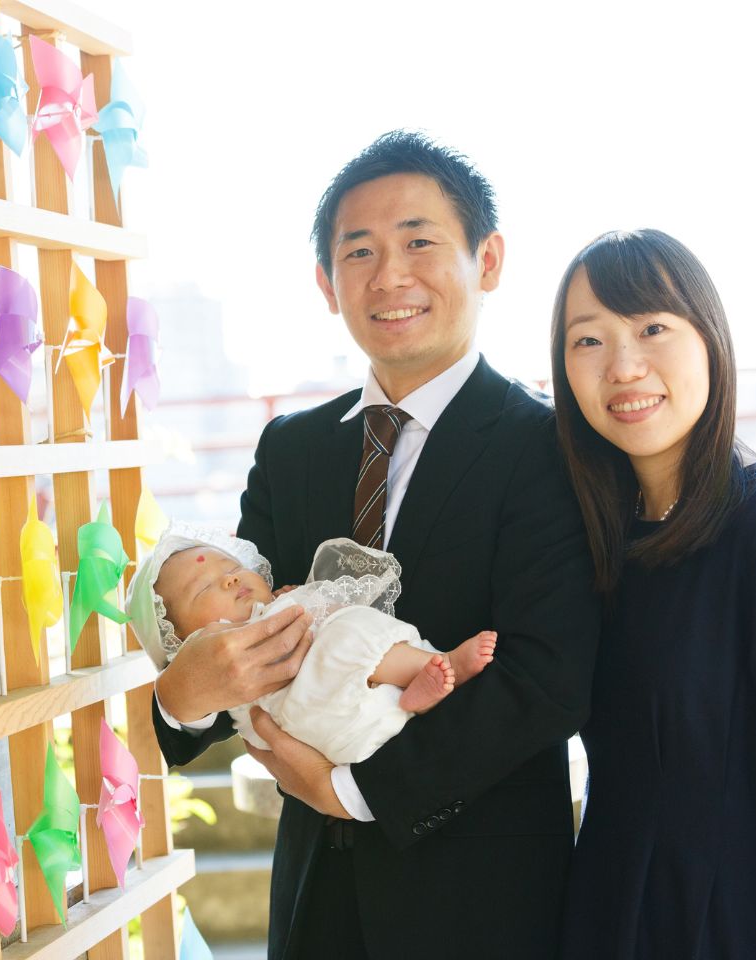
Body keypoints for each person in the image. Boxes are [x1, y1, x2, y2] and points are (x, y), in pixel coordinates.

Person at [149, 130, 601, 960]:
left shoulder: (550, 446)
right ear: (328, 282)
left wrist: (353, 791)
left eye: (420, 242)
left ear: (488, 259)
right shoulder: (292, 450)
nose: (390, 276)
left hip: (482, 909)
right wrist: (183, 698)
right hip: (317, 903)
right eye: (359, 252)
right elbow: (241, 629)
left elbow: (547, 679)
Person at [549, 229, 756, 958]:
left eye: (653, 328)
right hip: (604, 915)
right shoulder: (596, 529)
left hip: (728, 927)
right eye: (588, 341)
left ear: (710, 339)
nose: (624, 366)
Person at [127, 527, 498, 763]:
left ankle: (409, 698)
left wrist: (296, 597)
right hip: (313, 728)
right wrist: (183, 691)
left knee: (346, 631)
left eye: (233, 568)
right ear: (184, 641)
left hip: (369, 733)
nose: (230, 580)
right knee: (346, 635)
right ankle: (436, 664)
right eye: (205, 587)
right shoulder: (281, 452)